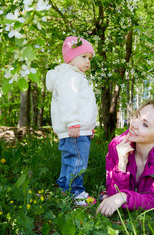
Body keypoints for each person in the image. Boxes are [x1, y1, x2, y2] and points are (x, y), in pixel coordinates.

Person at [46, 36, 97, 206]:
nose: (87, 62)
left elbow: (83, 105)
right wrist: (73, 122)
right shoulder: (70, 77)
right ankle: (75, 192)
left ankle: (63, 187)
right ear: (70, 57)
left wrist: (88, 126)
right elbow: (68, 101)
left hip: (78, 128)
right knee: (77, 160)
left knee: (70, 159)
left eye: (89, 58)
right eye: (83, 57)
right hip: (74, 128)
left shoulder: (75, 76)